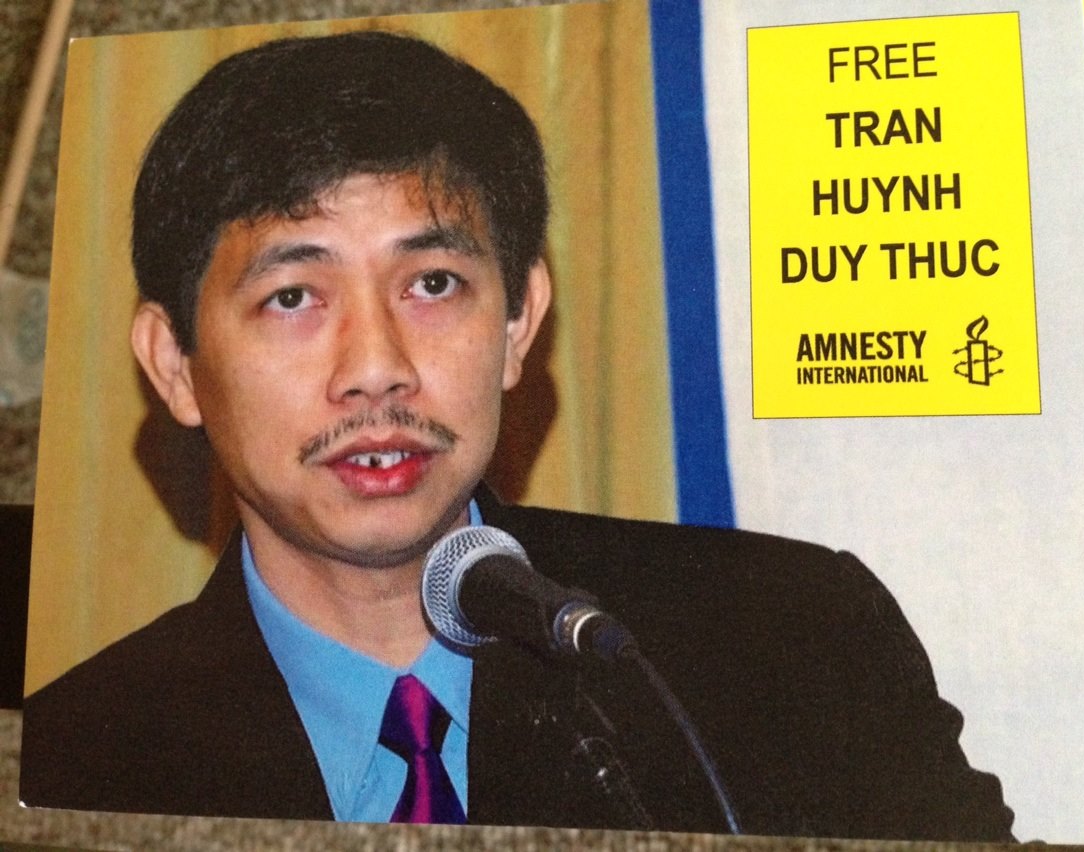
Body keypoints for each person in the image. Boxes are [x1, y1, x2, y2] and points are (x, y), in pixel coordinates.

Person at [20, 30, 1015, 841]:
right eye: (292, 296)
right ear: (174, 363)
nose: (377, 365)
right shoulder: (70, 759)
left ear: (518, 323)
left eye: (432, 284)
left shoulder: (791, 644)